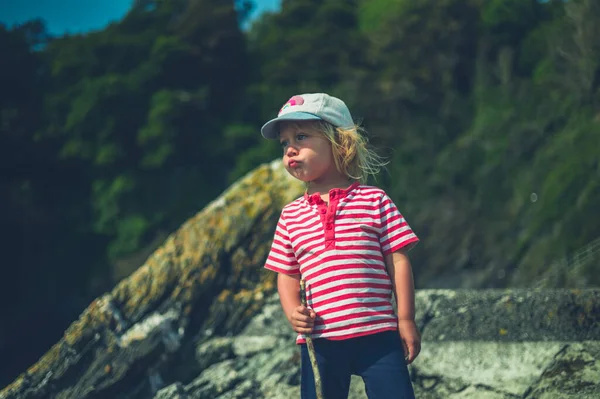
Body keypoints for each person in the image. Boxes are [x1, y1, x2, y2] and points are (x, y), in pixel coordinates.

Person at [262, 93, 421, 399]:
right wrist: (293, 311)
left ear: (340, 143)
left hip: (379, 334)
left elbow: (398, 261)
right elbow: (286, 274)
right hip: (321, 339)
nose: (290, 149)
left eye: (301, 136)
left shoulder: (374, 201)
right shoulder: (290, 215)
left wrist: (406, 319)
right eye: (284, 143)